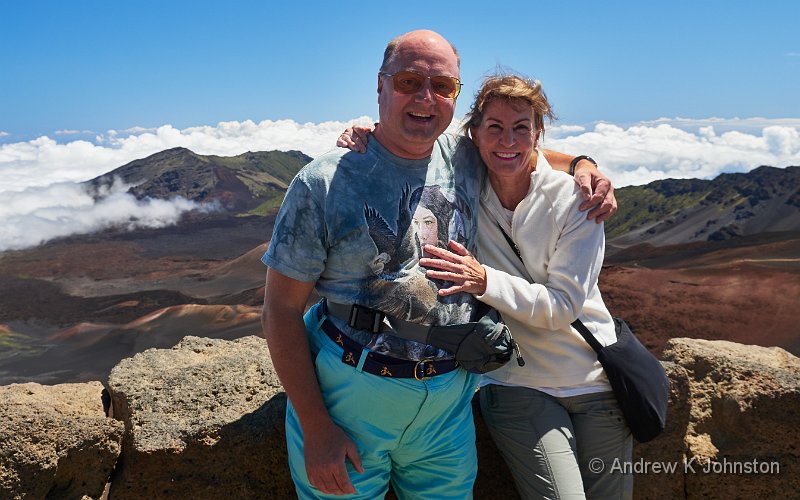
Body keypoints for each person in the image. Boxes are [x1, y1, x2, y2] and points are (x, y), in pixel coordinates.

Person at [261, 29, 616, 499]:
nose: (426, 97)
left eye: (443, 86)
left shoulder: (463, 155)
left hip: (448, 407)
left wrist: (584, 165)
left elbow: (516, 148)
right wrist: (317, 427)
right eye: (409, 82)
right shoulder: (324, 182)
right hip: (353, 397)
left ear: (455, 95)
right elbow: (281, 311)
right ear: (381, 85)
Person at [417, 74, 633, 499]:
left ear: (539, 133)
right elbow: (406, 140)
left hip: (596, 381)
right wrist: (363, 132)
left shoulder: (577, 200)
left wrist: (483, 280)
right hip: (517, 384)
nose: (507, 140)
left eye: (521, 128)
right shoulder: (467, 184)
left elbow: (562, 307)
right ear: (474, 133)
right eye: (494, 127)